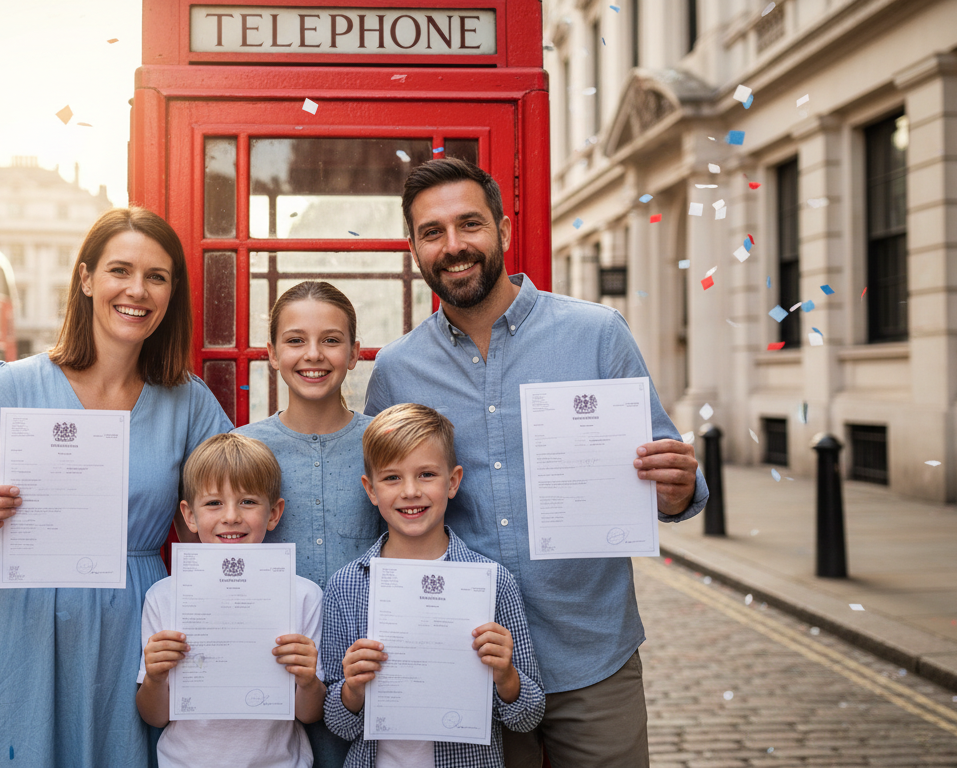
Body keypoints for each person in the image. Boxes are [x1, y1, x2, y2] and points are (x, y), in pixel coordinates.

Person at [365, 159, 708, 767]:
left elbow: (670, 480)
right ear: (414, 247)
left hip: (592, 650)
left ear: (502, 228)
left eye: (469, 224)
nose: (453, 246)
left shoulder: (597, 333)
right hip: (467, 662)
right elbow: (385, 511)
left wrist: (677, 487)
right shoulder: (397, 369)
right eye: (432, 232)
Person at [0, 207, 233, 768]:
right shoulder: (11, 386)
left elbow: (230, 516)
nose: (137, 290)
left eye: (156, 276)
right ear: (85, 279)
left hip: (137, 622)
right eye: (120, 270)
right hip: (25, 620)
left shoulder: (190, 402)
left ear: (172, 293)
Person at [321, 403, 544, 768]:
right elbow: (338, 723)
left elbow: (528, 716)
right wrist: (353, 689)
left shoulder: (492, 581)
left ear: (453, 481)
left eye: (426, 475)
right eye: (392, 478)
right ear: (371, 489)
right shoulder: (347, 586)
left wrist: (506, 676)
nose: (410, 491)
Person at [233, 281, 379, 768]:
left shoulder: (383, 445)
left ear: (356, 353)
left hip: (367, 680)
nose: (313, 355)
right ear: (272, 353)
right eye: (295, 340)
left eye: (331, 340)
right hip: (270, 682)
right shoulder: (240, 449)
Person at [137, 433, 326, 768]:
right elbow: (155, 717)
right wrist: (154, 677)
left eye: (248, 502)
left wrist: (308, 680)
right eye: (213, 503)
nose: (231, 516)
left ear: (274, 513)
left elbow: (308, 715)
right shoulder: (163, 598)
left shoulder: (303, 597)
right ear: (189, 515)